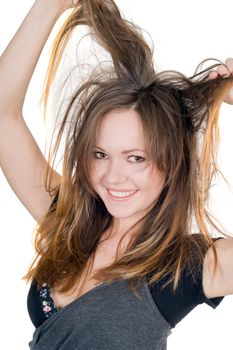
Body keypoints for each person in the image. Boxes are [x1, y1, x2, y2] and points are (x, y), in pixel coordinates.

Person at [0, 0, 233, 349]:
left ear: (172, 164)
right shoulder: (70, 219)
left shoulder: (188, 267)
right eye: (100, 154)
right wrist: (49, 5)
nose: (112, 176)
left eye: (136, 158)